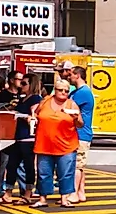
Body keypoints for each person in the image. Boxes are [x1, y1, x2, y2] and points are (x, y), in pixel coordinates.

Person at [31, 78, 80, 207]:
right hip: (44, 144)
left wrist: (76, 118)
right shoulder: (45, 101)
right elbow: (35, 114)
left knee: (66, 173)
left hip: (66, 145)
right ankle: (42, 199)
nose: (63, 92)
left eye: (66, 90)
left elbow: (80, 124)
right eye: (60, 90)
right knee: (43, 173)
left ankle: (64, 198)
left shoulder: (72, 104)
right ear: (55, 90)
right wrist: (32, 118)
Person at [63, 66, 95, 205]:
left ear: (77, 75)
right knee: (80, 165)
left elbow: (69, 108)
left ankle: (74, 193)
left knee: (76, 165)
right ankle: (81, 191)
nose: (68, 77)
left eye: (70, 75)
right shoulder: (79, 91)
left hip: (81, 133)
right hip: (80, 133)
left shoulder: (83, 93)